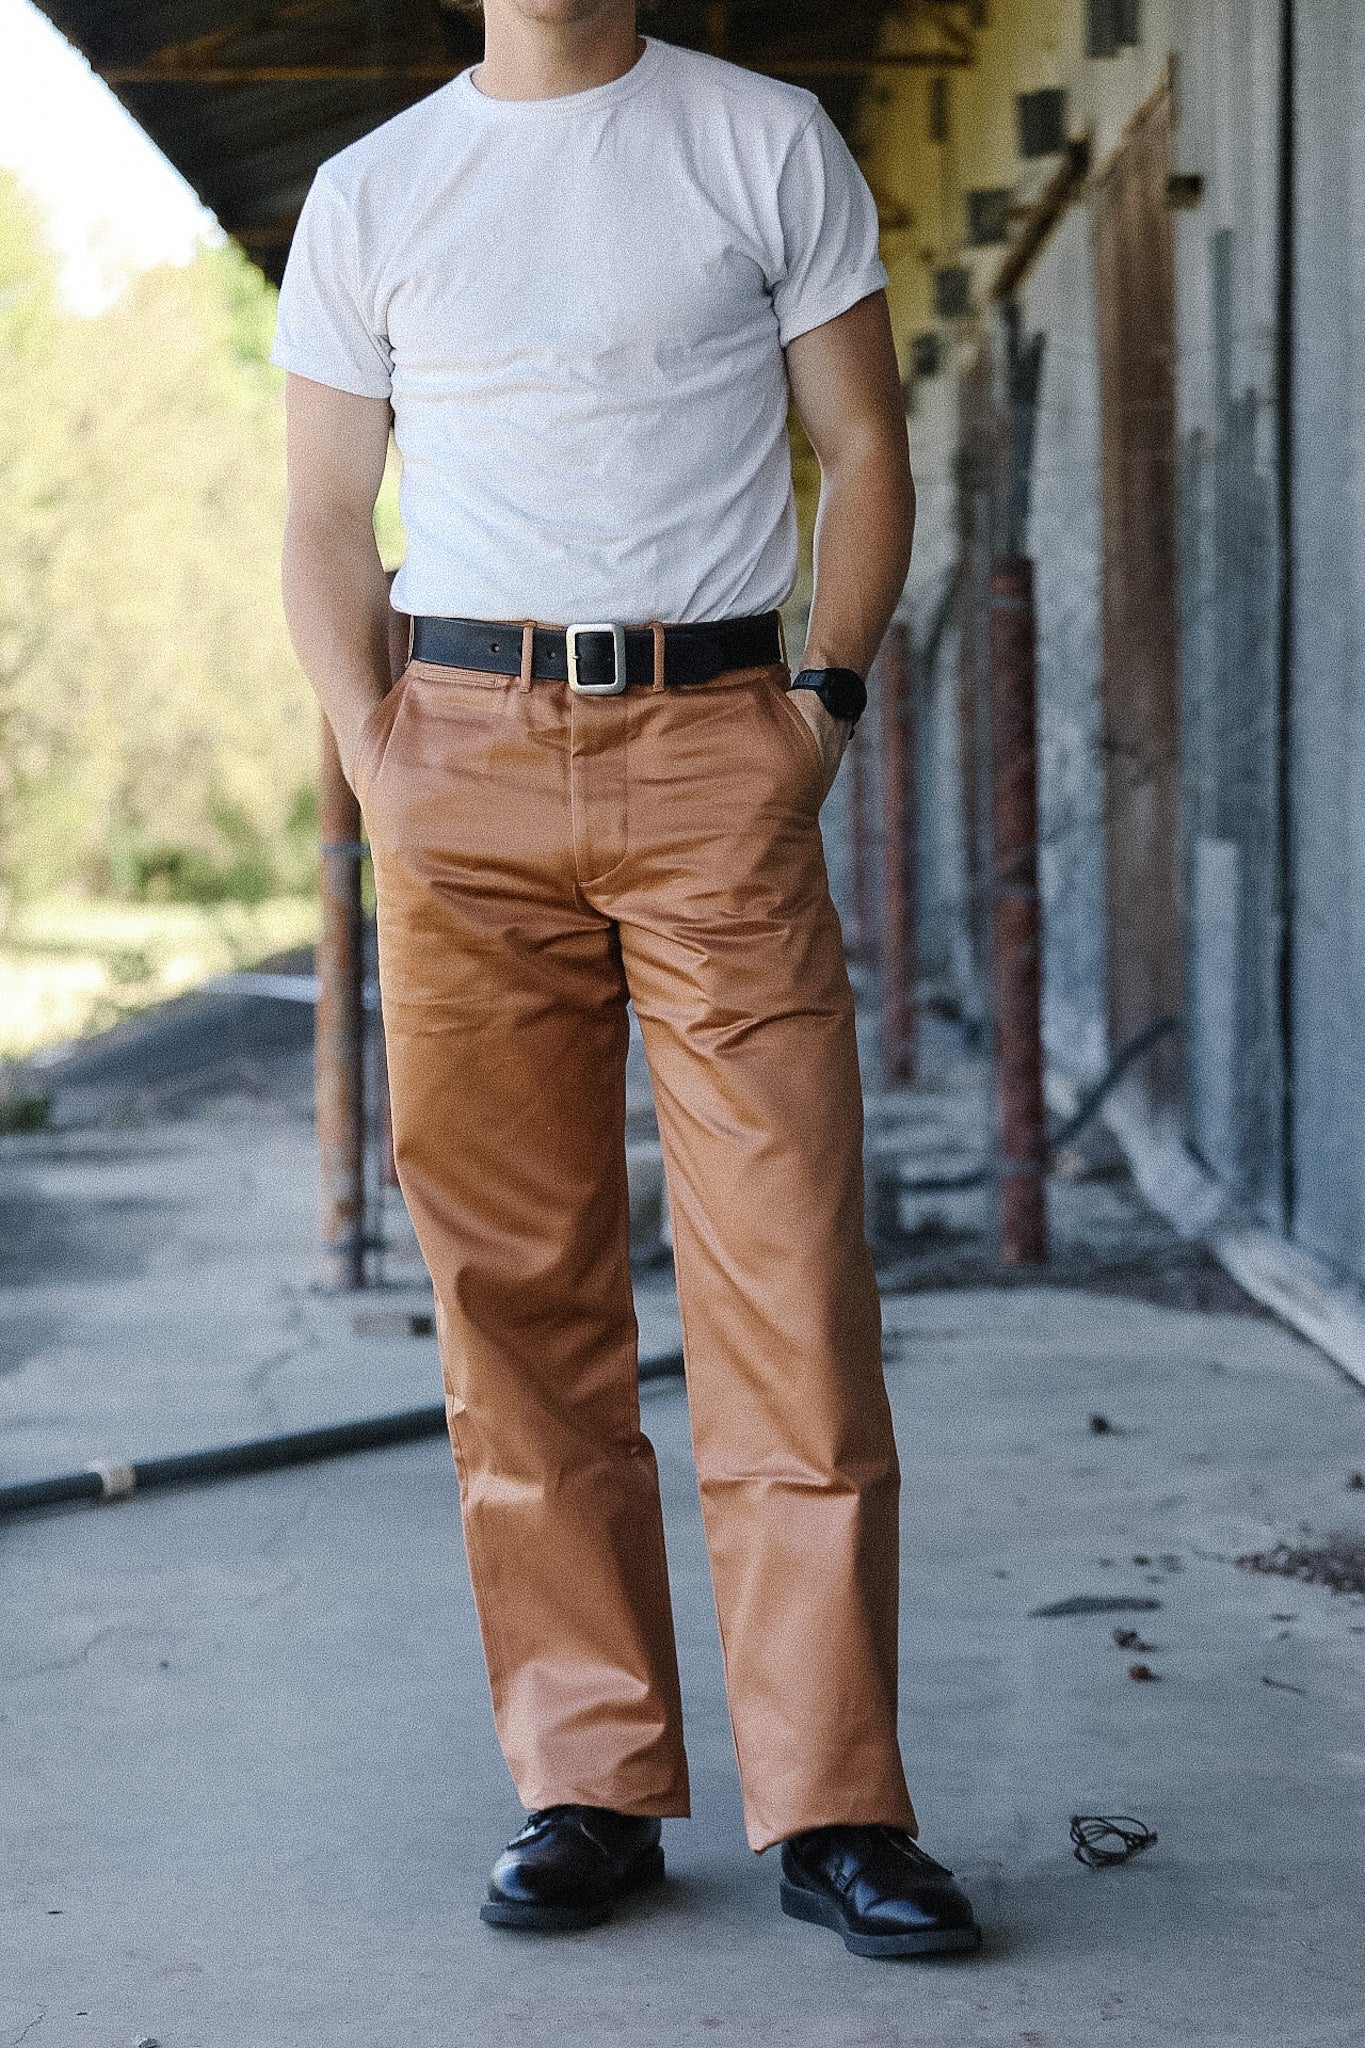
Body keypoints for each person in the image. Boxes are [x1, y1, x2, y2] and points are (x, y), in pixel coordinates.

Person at [272, 0, 981, 1961]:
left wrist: (816, 711)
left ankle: (834, 1804)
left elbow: (861, 445)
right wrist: (375, 756)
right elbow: (326, 513)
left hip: (708, 751)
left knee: (787, 1276)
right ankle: (586, 1777)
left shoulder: (759, 140)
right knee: (513, 1295)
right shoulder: (373, 189)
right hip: (462, 759)